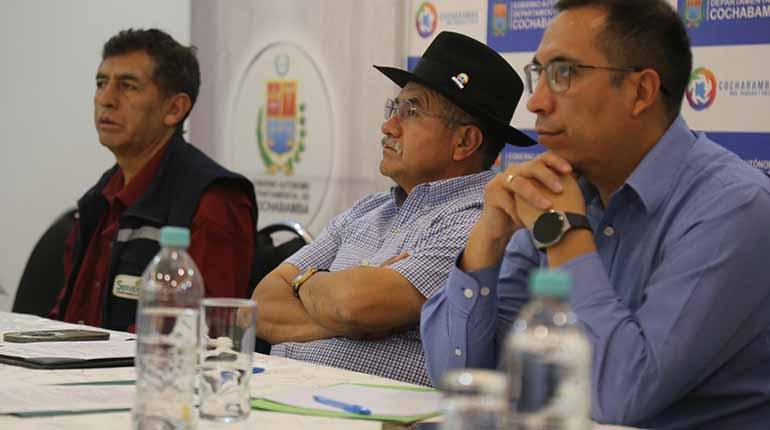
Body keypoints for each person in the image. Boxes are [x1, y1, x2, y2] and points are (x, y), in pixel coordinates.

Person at [421, 0, 770, 428]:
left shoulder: (733, 208)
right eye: (539, 74)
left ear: (640, 92)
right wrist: (487, 239)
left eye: (563, 74)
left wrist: (564, 233)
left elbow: (617, 397)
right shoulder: (562, 189)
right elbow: (460, 378)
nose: (537, 102)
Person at [251, 31, 536, 386]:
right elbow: (262, 304)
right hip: (278, 398)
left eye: (410, 111)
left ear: (464, 141)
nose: (388, 126)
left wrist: (305, 285)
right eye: (393, 109)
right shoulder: (367, 209)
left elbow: (357, 304)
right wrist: (343, 315)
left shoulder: (484, 221)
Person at [49, 29, 259, 331]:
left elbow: (208, 328)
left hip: (151, 362)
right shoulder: (99, 198)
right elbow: (65, 315)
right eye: (101, 83)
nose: (105, 99)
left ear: (174, 109)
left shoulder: (214, 199)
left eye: (128, 86)